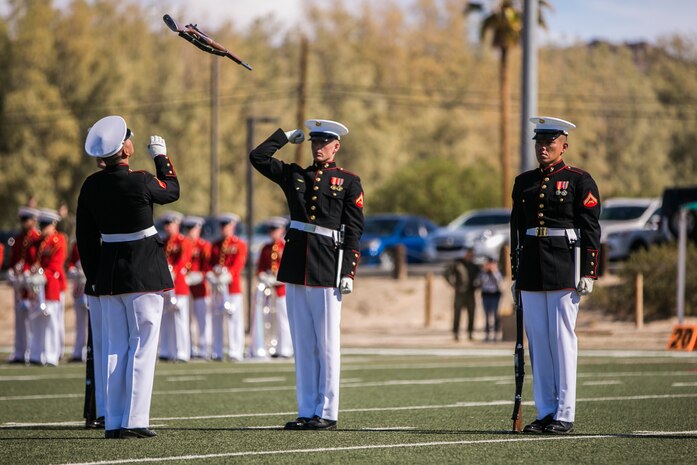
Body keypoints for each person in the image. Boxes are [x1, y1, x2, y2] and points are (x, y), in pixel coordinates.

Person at [250, 119, 364, 430]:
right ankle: (306, 409)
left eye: (324, 142)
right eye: (314, 142)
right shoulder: (295, 175)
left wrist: (349, 271)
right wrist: (284, 137)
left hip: (328, 265)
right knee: (302, 342)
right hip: (296, 262)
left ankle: (326, 411)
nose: (318, 147)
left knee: (326, 343)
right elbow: (257, 157)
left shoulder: (348, 181)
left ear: (336, 146)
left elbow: (354, 231)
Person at [77, 115, 179, 439]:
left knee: (114, 348)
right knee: (143, 346)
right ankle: (135, 420)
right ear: (126, 148)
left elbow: (85, 237)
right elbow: (172, 191)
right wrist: (162, 157)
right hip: (143, 272)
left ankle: (114, 421)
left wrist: (94, 277)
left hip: (107, 275)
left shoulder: (91, 185)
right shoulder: (141, 180)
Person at [510, 116, 601, 435]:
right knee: (538, 341)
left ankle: (565, 412)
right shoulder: (524, 182)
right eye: (538, 143)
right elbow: (517, 231)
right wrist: (515, 274)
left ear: (564, 145)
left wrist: (590, 271)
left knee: (562, 339)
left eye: (549, 144)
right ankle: (546, 410)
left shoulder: (579, 179)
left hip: (564, 263)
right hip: (532, 265)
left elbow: (591, 228)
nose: (543, 149)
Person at [28, 208, 67, 366]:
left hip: (51, 286)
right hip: (38, 287)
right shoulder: (39, 242)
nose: (42, 228)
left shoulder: (59, 241)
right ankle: (36, 354)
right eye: (41, 225)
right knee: (37, 321)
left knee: (51, 322)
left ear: (53, 224)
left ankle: (51, 355)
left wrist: (42, 275)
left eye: (45, 225)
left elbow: (56, 266)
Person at [252, 216, 293, 358]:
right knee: (268, 319)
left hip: (282, 290)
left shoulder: (287, 246)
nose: (272, 232)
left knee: (283, 319)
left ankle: (285, 349)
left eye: (275, 229)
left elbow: (290, 268)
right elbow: (260, 268)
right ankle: (271, 347)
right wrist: (263, 276)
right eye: (271, 229)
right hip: (269, 290)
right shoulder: (266, 248)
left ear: (282, 230)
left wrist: (279, 278)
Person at [208, 213, 247, 361]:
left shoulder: (239, 244)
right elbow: (211, 263)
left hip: (233, 288)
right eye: (222, 226)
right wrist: (213, 274)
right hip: (218, 288)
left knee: (234, 319)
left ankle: (235, 351)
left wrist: (228, 275)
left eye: (227, 226)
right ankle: (217, 351)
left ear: (233, 226)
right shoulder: (216, 245)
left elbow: (238, 265)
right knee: (217, 318)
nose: (224, 229)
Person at [7, 207, 41, 364]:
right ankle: (19, 352)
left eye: (27, 220)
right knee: (19, 320)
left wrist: (28, 271)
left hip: (31, 283)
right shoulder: (18, 238)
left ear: (33, 221)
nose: (24, 223)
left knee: (31, 319)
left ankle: (30, 351)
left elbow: (38, 259)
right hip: (20, 283)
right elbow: (14, 259)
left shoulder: (37, 238)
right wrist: (12, 272)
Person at [159, 211, 192, 362]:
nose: (167, 227)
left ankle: (182, 352)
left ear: (177, 224)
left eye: (170, 224)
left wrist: (172, 271)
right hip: (166, 286)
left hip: (179, 287)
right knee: (166, 319)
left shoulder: (183, 241)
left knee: (180, 320)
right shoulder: (164, 242)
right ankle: (166, 350)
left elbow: (183, 261)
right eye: (166, 224)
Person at [182, 216, 212, 360]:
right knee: (187, 318)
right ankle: (189, 348)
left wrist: (201, 275)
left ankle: (204, 348)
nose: (191, 232)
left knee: (202, 317)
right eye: (188, 229)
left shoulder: (204, 245)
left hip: (200, 285)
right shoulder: (184, 244)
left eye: (193, 229)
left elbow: (208, 265)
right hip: (186, 284)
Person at [443, 248, 480, 341]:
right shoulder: (458, 264)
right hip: (460, 293)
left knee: (471, 313)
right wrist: (453, 285)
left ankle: (470, 333)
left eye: (471, 255)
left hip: (470, 293)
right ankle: (456, 333)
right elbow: (446, 273)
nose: (470, 257)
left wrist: (477, 286)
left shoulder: (474, 266)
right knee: (457, 313)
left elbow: (481, 276)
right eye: (468, 255)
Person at [67, 242, 89, 361]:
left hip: (91, 287)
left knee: (92, 323)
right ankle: (78, 352)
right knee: (80, 323)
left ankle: (90, 351)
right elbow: (71, 261)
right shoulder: (76, 244)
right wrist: (73, 270)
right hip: (79, 289)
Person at [477, 257, 503, 342]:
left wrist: (494, 271)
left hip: (495, 295)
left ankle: (495, 334)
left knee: (495, 314)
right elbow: (480, 282)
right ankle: (487, 334)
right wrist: (485, 271)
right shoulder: (482, 273)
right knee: (487, 315)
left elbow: (499, 282)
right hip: (486, 295)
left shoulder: (497, 272)